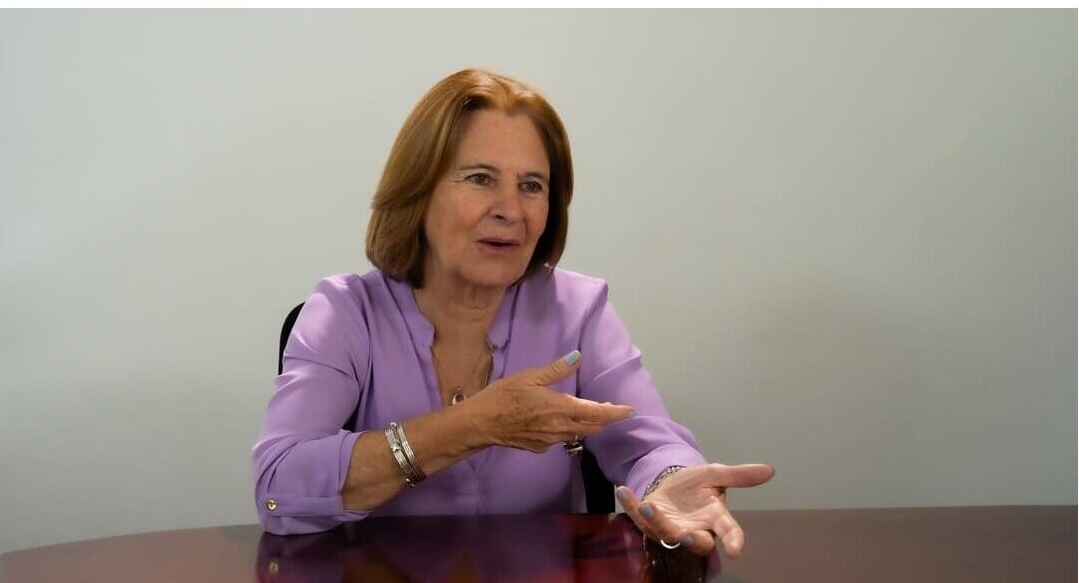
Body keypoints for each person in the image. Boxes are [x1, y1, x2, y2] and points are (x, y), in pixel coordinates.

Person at [252, 68, 774, 558]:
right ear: (418, 192)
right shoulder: (344, 313)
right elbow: (278, 489)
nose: (510, 209)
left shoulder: (578, 310)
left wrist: (669, 481)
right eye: (481, 178)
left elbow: (648, 444)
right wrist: (472, 425)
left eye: (531, 186)